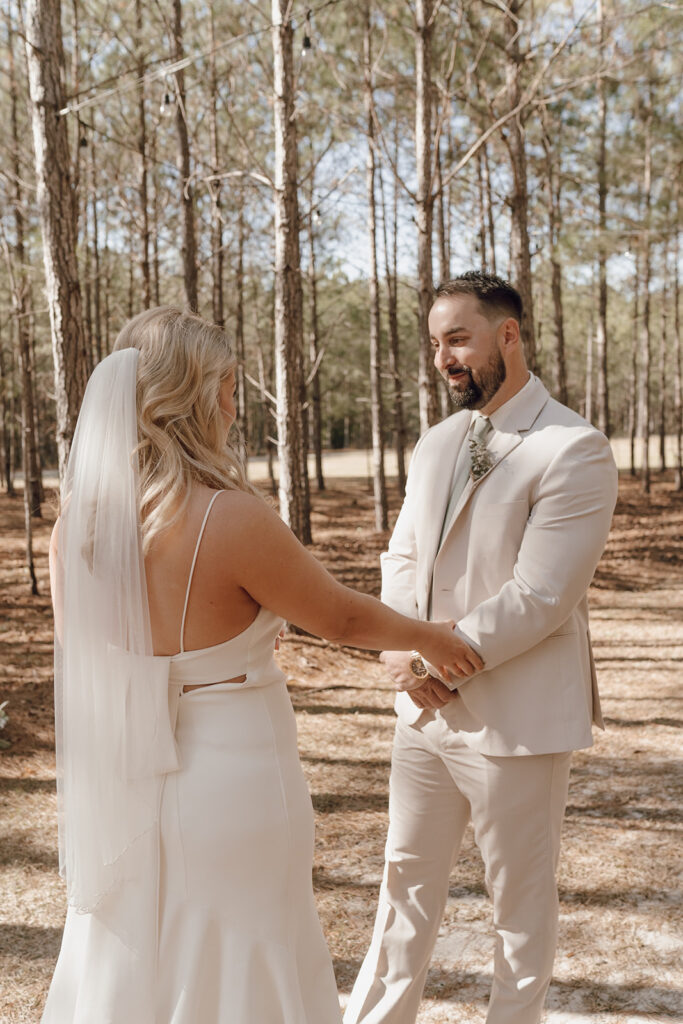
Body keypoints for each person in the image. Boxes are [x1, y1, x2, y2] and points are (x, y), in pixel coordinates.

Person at [42, 306, 482, 1024]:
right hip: (232, 781)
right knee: (248, 946)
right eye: (225, 384)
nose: (231, 404)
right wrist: (430, 636)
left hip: (126, 785)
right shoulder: (228, 516)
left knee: (132, 955)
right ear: (190, 394)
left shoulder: (74, 529)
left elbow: (84, 658)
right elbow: (338, 616)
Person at [344, 271, 618, 1024]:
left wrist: (428, 659)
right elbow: (400, 558)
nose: (444, 358)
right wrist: (397, 658)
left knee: (518, 906)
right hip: (422, 713)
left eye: (458, 338)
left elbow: (541, 595)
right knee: (401, 883)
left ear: (507, 334)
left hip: (515, 720)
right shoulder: (435, 442)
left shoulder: (573, 447)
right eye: (435, 344)